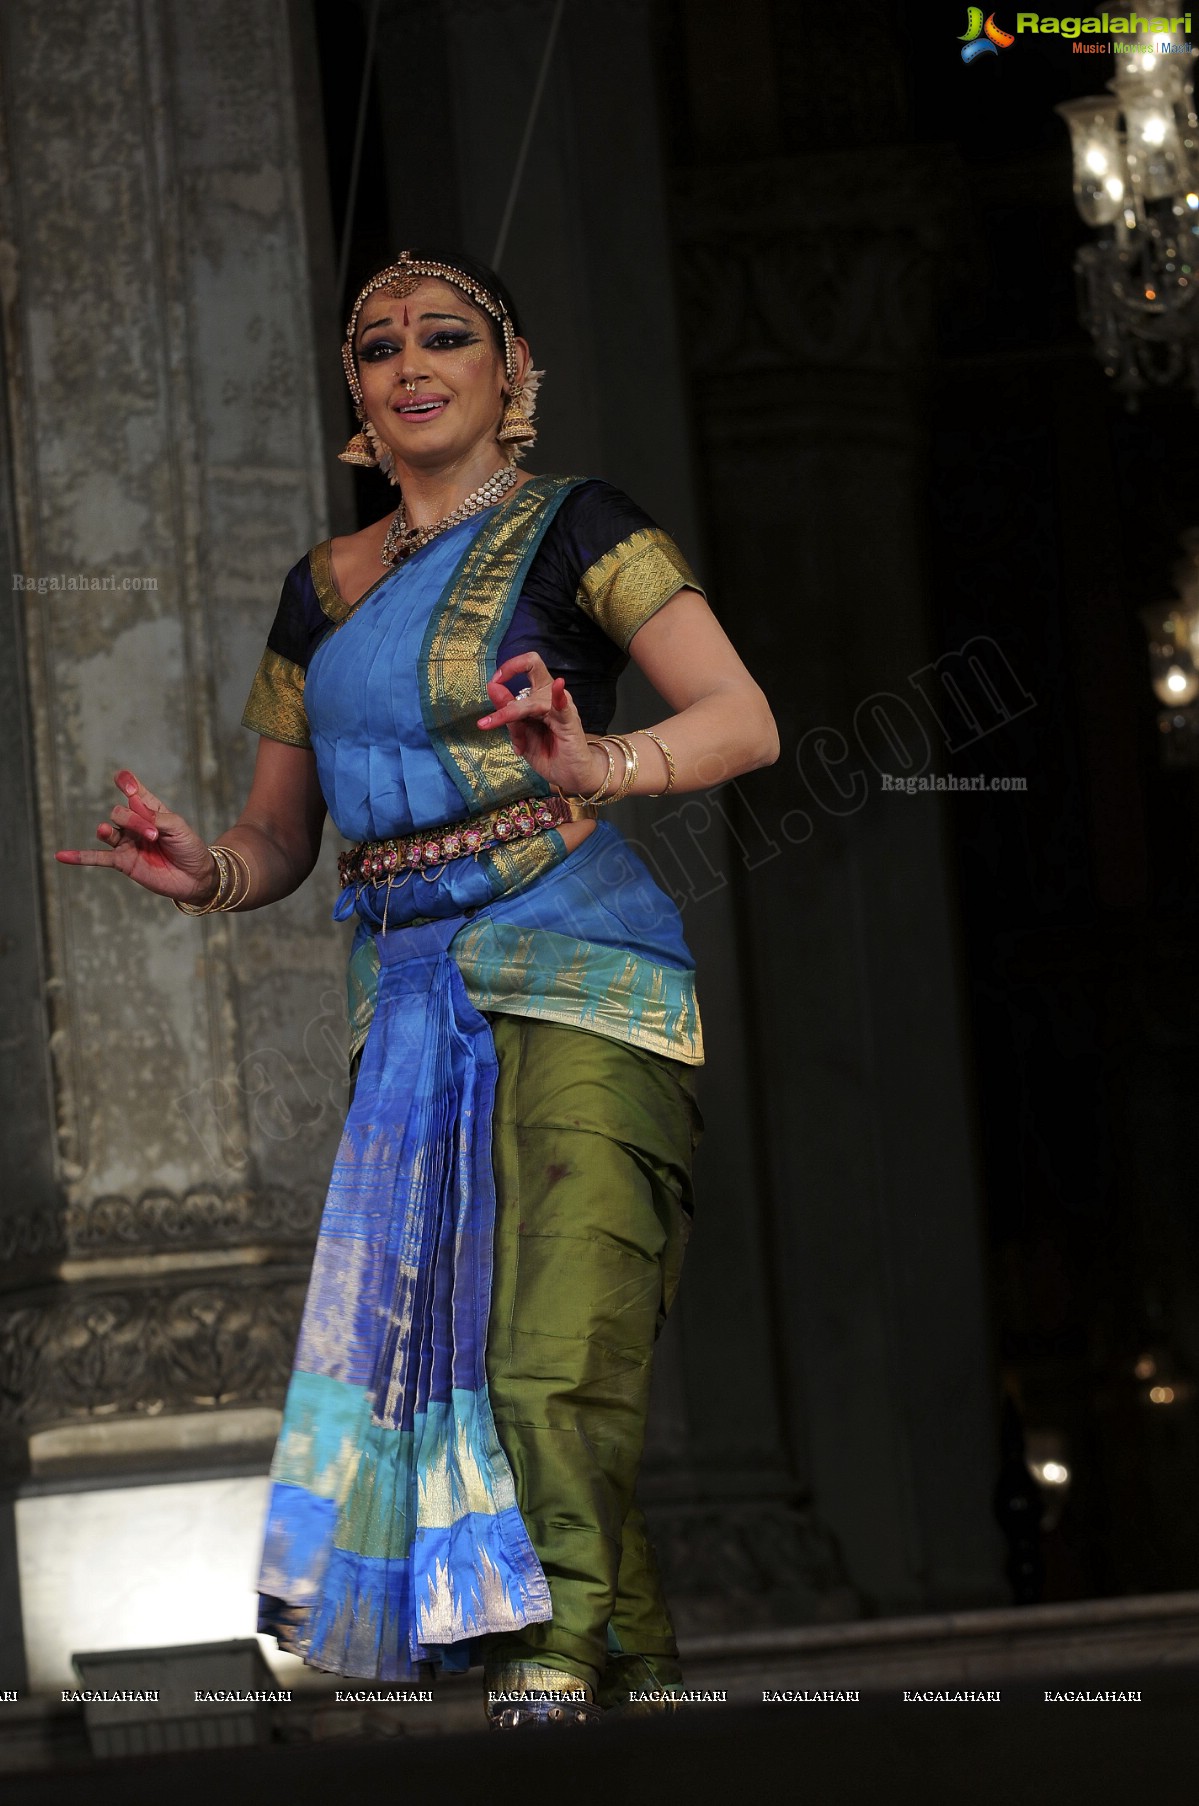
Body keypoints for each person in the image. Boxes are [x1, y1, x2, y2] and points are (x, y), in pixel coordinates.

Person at [56, 248, 779, 1726]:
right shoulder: (320, 591)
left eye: (445, 335)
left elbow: (743, 718)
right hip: (406, 1013)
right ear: (354, 396)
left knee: (548, 1354)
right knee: (454, 1370)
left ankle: (544, 1682)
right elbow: (280, 836)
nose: (408, 361)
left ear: (511, 373)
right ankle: (621, 1687)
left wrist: (601, 764)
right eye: (376, 345)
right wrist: (206, 868)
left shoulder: (581, 526)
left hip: (577, 968)